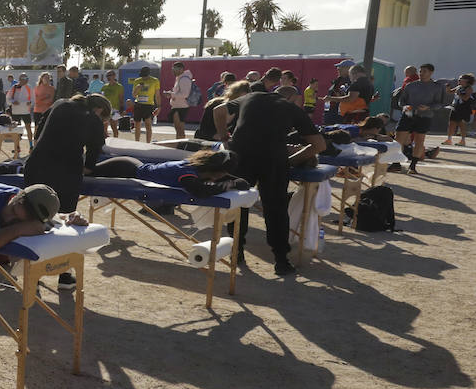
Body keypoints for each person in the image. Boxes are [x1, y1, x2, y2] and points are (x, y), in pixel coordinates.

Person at [226, 86, 326, 276]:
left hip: (241, 155)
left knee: (239, 204)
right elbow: (319, 144)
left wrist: (224, 136)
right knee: (276, 209)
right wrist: (292, 160)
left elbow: (218, 110)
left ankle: (236, 252)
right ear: (292, 97)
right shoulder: (292, 108)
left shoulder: (250, 97)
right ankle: (281, 261)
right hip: (273, 159)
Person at [21, 93, 111, 289]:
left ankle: (31, 277)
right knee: (67, 222)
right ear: (100, 111)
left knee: (34, 219)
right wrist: (87, 169)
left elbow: (38, 134)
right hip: (65, 173)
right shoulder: (92, 118)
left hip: (37, 166)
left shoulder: (60, 104)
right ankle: (64, 275)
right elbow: (95, 149)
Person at [91, 148, 250, 198]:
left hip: (131, 166)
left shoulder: (198, 168)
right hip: (123, 168)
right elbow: (199, 191)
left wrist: (235, 181)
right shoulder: (188, 171)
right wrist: (230, 185)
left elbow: (234, 180)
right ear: (216, 171)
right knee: (86, 173)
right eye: (223, 173)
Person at [396, 63, 445, 173]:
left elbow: (439, 104)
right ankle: (396, 163)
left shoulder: (437, 87)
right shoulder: (410, 85)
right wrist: (404, 106)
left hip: (425, 116)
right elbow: (401, 101)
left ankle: (413, 166)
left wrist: (428, 107)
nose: (421, 73)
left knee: (419, 140)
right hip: (408, 114)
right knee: (399, 139)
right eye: (420, 71)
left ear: (431, 72)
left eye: (424, 71)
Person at [6, 73, 35, 151]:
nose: (24, 81)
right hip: (16, 111)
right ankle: (17, 147)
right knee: (16, 129)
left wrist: (30, 103)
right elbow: (8, 98)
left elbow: (33, 99)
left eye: (25, 79)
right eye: (22, 79)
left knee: (28, 128)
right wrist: (13, 102)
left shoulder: (29, 87)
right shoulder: (14, 87)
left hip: (26, 111)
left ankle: (31, 146)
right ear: (19, 79)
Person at [164, 61, 193, 139]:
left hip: (181, 107)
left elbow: (185, 94)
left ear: (181, 69)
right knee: (178, 128)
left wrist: (171, 94)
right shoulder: (179, 78)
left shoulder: (184, 79)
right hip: (177, 105)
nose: (173, 71)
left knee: (180, 129)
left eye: (174, 69)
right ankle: (179, 144)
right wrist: (171, 94)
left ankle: (180, 145)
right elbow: (178, 92)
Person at [443, 73, 474, 145]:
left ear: (467, 80)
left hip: (463, 108)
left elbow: (466, 98)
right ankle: (449, 140)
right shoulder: (459, 87)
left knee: (461, 124)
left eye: (461, 79)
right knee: (451, 123)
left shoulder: (469, 88)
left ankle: (463, 141)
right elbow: (449, 92)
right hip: (455, 107)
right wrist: (447, 87)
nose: (459, 80)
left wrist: (459, 93)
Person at [130, 66, 159, 142]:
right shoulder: (137, 81)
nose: (144, 77)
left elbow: (157, 94)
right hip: (138, 104)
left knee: (148, 124)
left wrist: (159, 106)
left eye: (145, 76)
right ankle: (137, 142)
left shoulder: (154, 80)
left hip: (149, 105)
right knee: (137, 125)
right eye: (142, 76)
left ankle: (148, 143)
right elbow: (133, 95)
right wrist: (137, 88)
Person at [99, 70, 124, 137]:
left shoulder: (119, 86)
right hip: (105, 108)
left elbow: (121, 98)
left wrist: (121, 108)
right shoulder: (104, 87)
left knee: (114, 126)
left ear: (114, 76)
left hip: (115, 109)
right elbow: (102, 97)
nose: (108, 77)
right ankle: (105, 142)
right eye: (107, 76)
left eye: (110, 75)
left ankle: (115, 141)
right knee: (104, 127)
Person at [33, 71, 56, 135]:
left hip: (47, 111)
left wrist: (41, 99)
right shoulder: (37, 88)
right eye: (45, 78)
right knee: (37, 128)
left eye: (48, 78)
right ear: (41, 78)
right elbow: (35, 101)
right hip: (37, 111)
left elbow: (50, 101)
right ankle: (35, 143)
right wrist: (45, 97)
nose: (47, 79)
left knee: (46, 128)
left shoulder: (52, 89)